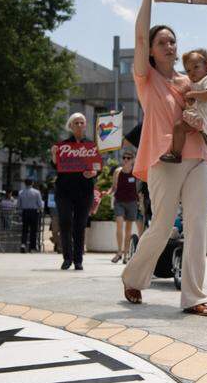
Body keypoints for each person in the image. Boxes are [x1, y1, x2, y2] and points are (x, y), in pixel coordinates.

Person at [121, 0, 207, 316]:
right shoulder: (146, 79)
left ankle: (194, 297)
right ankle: (133, 276)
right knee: (161, 226)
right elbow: (141, 35)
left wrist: (199, 117)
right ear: (152, 50)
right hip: (165, 159)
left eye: (173, 41)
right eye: (163, 41)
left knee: (197, 227)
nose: (170, 45)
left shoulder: (191, 83)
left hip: (198, 156)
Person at [53, 113, 99, 270]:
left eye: (82, 123)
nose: (79, 125)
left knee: (80, 226)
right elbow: (55, 166)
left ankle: (78, 260)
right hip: (64, 191)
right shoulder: (62, 146)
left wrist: (93, 173)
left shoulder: (91, 146)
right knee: (65, 223)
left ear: (85, 125)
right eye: (76, 123)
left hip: (84, 191)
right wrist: (53, 154)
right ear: (70, 126)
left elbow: (97, 167)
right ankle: (67, 258)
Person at [160, 49, 207, 163]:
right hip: (199, 117)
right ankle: (199, 155)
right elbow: (197, 103)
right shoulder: (193, 84)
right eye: (188, 70)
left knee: (179, 127)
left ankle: (176, 154)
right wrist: (190, 101)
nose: (192, 72)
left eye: (196, 67)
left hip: (205, 118)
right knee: (182, 128)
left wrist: (193, 94)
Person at [109, 152, 144, 263]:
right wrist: (108, 192)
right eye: (124, 158)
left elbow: (139, 190)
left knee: (128, 230)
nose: (126, 160)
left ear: (133, 160)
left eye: (128, 158)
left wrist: (141, 203)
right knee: (119, 225)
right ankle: (119, 252)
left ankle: (126, 254)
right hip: (119, 201)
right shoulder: (117, 172)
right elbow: (114, 187)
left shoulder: (135, 173)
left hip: (132, 202)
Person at [18, 179, 44, 253]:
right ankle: (32, 247)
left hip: (25, 212)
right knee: (33, 230)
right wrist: (40, 209)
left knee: (24, 230)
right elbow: (40, 204)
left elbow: (18, 205)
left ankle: (23, 244)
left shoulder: (21, 192)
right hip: (34, 212)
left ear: (25, 183)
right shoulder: (37, 192)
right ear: (32, 183)